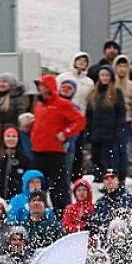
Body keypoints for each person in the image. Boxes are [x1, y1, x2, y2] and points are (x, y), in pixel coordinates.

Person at [29, 74, 84, 209]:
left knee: (59, 188)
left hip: (55, 152)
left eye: (41, 85)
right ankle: (41, 215)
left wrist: (66, 134)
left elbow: (80, 121)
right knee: (39, 186)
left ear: (48, 87)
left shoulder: (63, 104)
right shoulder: (39, 105)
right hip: (38, 151)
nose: (38, 88)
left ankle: (63, 216)